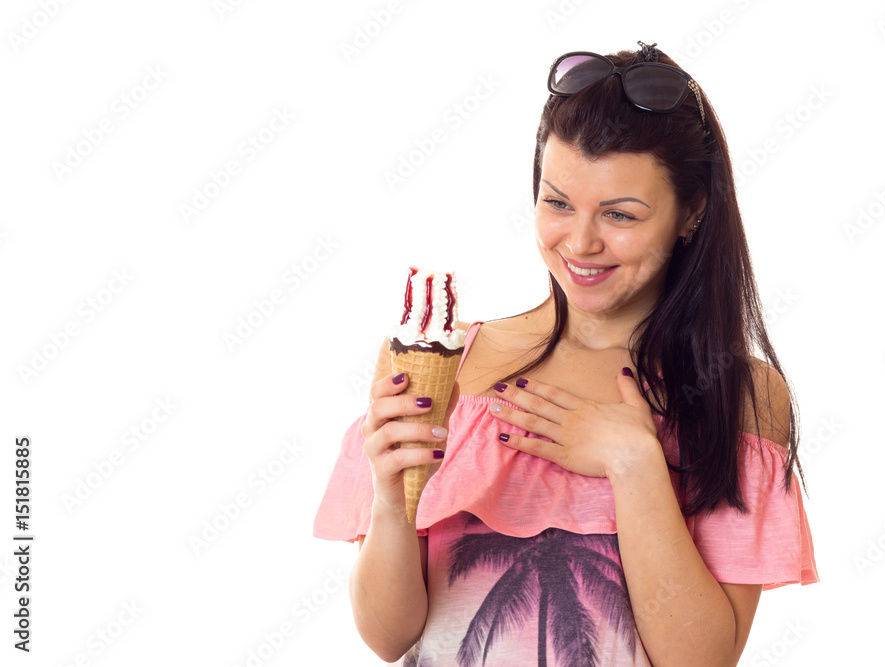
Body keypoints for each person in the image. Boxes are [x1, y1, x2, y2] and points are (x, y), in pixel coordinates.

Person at [314, 41, 819, 666]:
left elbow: (699, 660)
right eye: (557, 203)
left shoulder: (736, 396)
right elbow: (388, 637)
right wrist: (391, 503)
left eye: (620, 215)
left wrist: (634, 464)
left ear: (691, 212)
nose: (580, 243)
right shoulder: (451, 366)